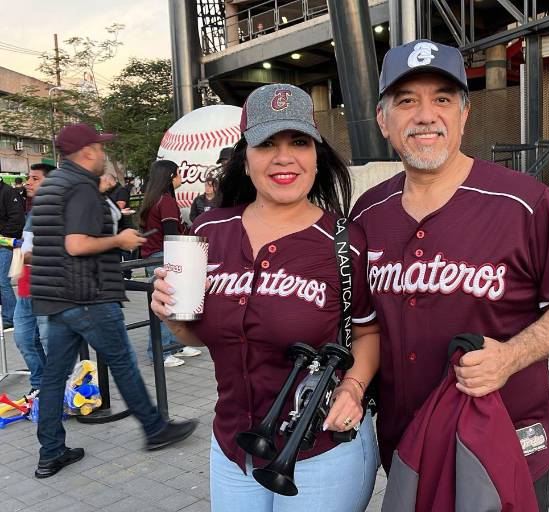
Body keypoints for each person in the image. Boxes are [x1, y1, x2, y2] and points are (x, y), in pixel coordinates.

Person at [350, 39, 549, 512]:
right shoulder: (369, 213)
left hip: (502, 443)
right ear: (383, 119)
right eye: (407, 100)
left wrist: (511, 356)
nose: (426, 115)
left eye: (443, 99)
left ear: (464, 115)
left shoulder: (524, 201)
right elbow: (364, 323)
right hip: (406, 444)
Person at [150, 84, 380, 512]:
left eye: (298, 141)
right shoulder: (208, 231)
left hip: (320, 445)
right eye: (266, 143)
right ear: (245, 155)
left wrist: (353, 388)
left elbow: (367, 332)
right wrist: (169, 313)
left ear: (316, 154)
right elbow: (195, 337)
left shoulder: (345, 240)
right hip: (232, 446)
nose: (284, 157)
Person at [31, 123, 197, 479]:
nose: (104, 155)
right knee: (122, 362)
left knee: (53, 376)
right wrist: (120, 241)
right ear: (88, 152)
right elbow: (76, 244)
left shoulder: (50, 187)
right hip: (87, 294)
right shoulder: (80, 188)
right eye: (100, 148)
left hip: (54, 297)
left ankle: (50, 453)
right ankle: (155, 429)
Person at [137, 160, 201, 367]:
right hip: (163, 255)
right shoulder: (164, 200)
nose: (181, 178)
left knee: (173, 303)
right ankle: (160, 352)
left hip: (156, 255)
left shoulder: (153, 198)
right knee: (166, 305)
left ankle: (175, 345)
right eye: (179, 173)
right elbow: (172, 233)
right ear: (171, 176)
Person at [13, 163, 54, 397]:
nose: (28, 182)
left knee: (50, 341)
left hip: (46, 287)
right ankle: (40, 385)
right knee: (24, 340)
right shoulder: (33, 211)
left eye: (34, 178)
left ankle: (59, 387)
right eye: (29, 178)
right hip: (25, 286)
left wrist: (24, 252)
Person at [0, 169, 25, 328]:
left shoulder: (8, 193)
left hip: (6, 244)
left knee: (2, 281)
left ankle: (12, 317)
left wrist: (3, 237)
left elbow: (17, 220)